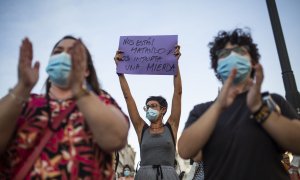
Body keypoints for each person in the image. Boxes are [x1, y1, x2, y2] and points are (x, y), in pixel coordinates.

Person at [178, 28, 300, 180]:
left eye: (239, 51)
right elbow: (185, 150)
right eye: (224, 54)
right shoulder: (203, 110)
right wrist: (218, 107)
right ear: (217, 65)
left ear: (253, 61)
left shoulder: (271, 101)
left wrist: (260, 110)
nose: (232, 56)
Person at [0, 36, 129, 179]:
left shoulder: (102, 101)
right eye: (58, 52)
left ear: (86, 70)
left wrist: (79, 90)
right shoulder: (24, 102)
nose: (64, 56)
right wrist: (22, 87)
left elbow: (117, 139)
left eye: (73, 53)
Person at [114, 45, 182, 180]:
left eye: (153, 106)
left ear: (163, 110)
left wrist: (175, 64)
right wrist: (120, 71)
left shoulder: (171, 126)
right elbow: (128, 98)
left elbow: (178, 93)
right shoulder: (141, 128)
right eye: (147, 106)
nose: (149, 109)